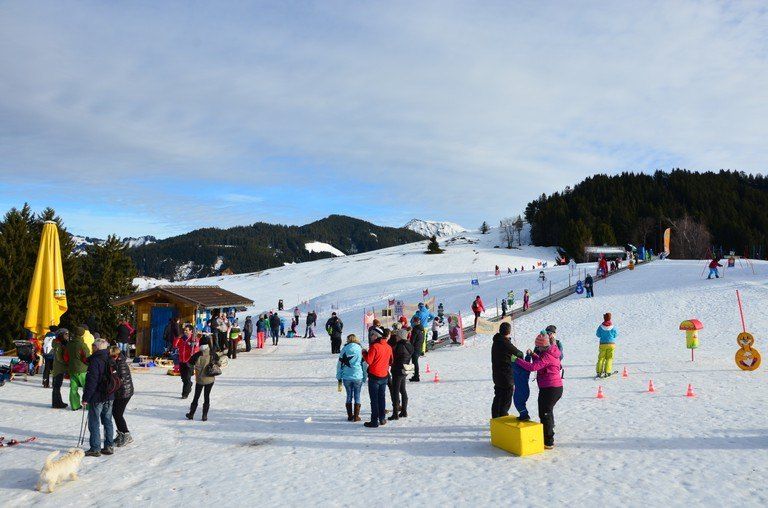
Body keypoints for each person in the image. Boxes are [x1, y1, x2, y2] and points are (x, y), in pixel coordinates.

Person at [515, 331, 564, 449]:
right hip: (553, 388)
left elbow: (533, 367)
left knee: (545, 413)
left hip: (550, 389)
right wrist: (533, 355)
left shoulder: (547, 355)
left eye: (538, 346)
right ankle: (549, 432)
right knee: (547, 412)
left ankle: (548, 441)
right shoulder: (551, 352)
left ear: (543, 345)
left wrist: (517, 360)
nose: (537, 348)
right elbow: (541, 361)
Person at [82, 339, 117, 457]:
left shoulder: (95, 360)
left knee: (94, 422)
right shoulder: (110, 358)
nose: (92, 348)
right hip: (110, 395)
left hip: (97, 396)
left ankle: (95, 448)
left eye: (93, 346)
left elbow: (91, 381)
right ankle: (109, 446)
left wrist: (86, 397)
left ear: (97, 347)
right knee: (107, 421)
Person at [491, 322, 524, 418]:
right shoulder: (505, 343)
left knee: (498, 397)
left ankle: (495, 418)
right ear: (509, 332)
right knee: (506, 399)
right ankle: (502, 417)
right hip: (506, 376)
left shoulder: (496, 340)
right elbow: (519, 353)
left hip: (497, 374)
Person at [362, 332, 393, 428]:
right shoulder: (388, 346)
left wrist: (364, 353)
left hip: (374, 376)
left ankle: (374, 421)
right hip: (384, 375)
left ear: (377, 336)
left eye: (372, 335)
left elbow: (369, 361)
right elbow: (391, 361)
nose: (371, 337)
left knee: (374, 399)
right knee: (381, 398)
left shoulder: (374, 346)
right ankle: (382, 418)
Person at [186, 336, 218, 421]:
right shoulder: (212, 353)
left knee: (196, 396)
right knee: (206, 396)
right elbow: (218, 363)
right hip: (210, 379)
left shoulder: (197, 354)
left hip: (200, 379)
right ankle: (204, 416)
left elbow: (189, 364)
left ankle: (191, 414)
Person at [336, 334, 366, 422]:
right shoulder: (360, 349)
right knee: (357, 395)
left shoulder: (344, 349)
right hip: (358, 375)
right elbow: (364, 364)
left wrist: (339, 376)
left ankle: (350, 416)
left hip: (346, 376)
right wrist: (365, 376)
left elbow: (339, 364)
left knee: (349, 395)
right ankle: (356, 416)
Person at [109, 346, 134, 447]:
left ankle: (126, 434)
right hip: (120, 392)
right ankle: (121, 433)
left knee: (118, 414)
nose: (112, 358)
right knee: (116, 413)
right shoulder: (116, 362)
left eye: (113, 356)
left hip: (124, 393)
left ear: (117, 355)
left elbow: (120, 380)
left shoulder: (121, 364)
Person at [389, 328, 414, 420]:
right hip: (405, 369)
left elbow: (393, 357)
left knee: (395, 391)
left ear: (400, 336)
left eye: (397, 336)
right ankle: (404, 411)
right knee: (403, 390)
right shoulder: (409, 344)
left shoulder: (399, 346)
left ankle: (395, 413)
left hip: (397, 370)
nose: (395, 337)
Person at [65, 327, 91, 411]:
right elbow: (87, 357)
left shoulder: (69, 343)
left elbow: (66, 356)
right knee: (86, 387)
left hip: (72, 368)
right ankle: (88, 405)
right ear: (82, 334)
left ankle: (75, 405)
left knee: (73, 388)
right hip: (82, 369)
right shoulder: (82, 345)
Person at [174, 325, 199, 399]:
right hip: (182, 360)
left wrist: (193, 346)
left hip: (189, 361)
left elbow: (196, 349)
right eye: (184, 330)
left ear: (191, 331)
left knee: (187, 378)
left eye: (187, 330)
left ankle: (185, 394)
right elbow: (175, 345)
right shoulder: (181, 339)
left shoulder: (194, 339)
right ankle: (189, 384)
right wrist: (178, 338)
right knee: (183, 378)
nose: (185, 331)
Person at [51, 328, 69, 409]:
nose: (67, 336)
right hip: (59, 367)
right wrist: (65, 363)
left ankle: (58, 401)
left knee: (57, 385)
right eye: (66, 334)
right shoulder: (58, 344)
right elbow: (59, 357)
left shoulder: (60, 343)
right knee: (57, 385)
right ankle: (56, 403)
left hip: (59, 367)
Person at [595, 312, 617, 378]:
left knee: (601, 358)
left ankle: (599, 372)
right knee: (609, 358)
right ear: (610, 318)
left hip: (602, 344)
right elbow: (615, 335)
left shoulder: (601, 326)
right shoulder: (613, 327)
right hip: (611, 344)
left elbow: (598, 335)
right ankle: (607, 371)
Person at [409, 317, 425, 382]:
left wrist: (409, 347)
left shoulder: (415, 330)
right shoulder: (422, 329)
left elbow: (412, 340)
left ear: (415, 322)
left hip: (415, 348)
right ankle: (416, 375)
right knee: (415, 362)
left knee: (415, 363)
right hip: (419, 347)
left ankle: (416, 376)